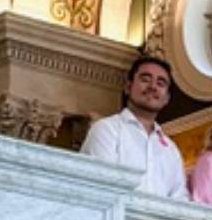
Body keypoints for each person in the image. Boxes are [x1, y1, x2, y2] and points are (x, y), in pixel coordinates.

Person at [80, 56, 187, 200]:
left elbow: (179, 199)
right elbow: (101, 186)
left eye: (161, 83)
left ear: (167, 98)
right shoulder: (106, 130)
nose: (152, 87)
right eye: (145, 79)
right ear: (128, 87)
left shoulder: (171, 149)